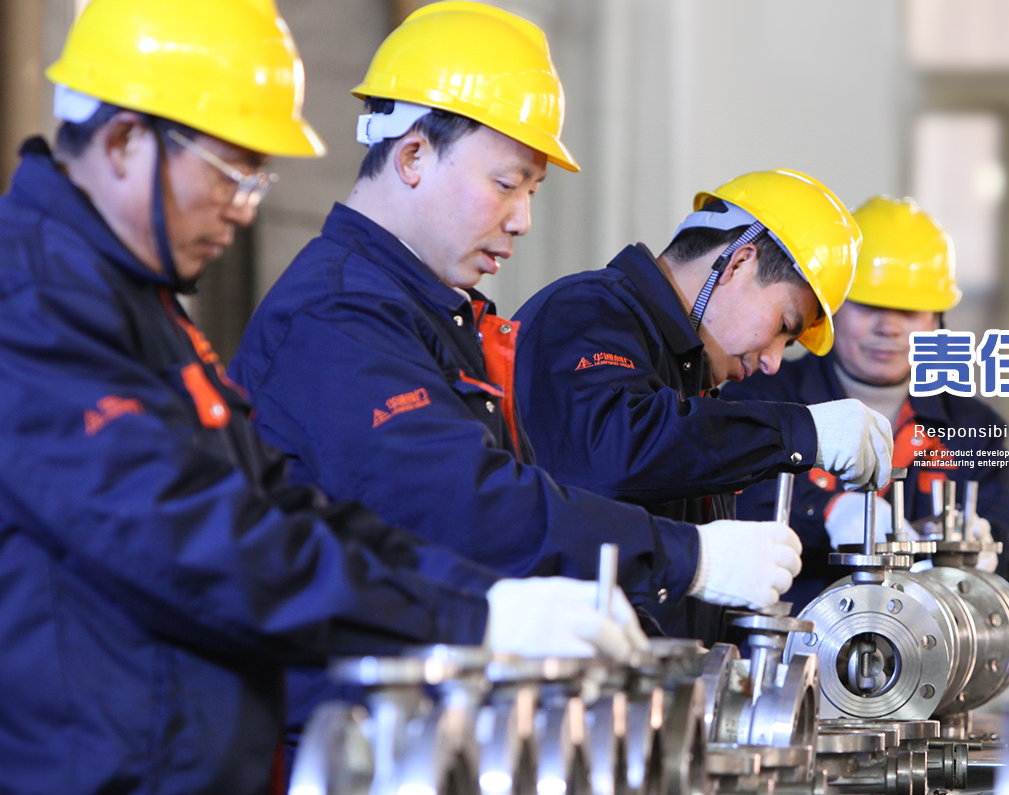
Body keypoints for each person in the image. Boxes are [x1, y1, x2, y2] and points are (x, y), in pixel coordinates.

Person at [0, 1, 637, 795]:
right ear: (126, 141)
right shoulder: (16, 302)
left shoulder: (131, 304)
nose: (244, 209)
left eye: (255, 181)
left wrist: (490, 598)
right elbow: (191, 541)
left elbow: (278, 506)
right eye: (231, 173)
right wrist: (477, 622)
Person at [228, 1, 798, 644]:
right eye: (506, 184)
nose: (523, 220)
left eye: (532, 192)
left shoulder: (430, 313)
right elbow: (461, 502)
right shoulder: (338, 314)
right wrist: (690, 556)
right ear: (412, 157)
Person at [510, 169, 893, 639]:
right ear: (738, 264)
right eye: (783, 327)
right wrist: (802, 432)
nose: (773, 362)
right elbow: (615, 446)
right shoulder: (586, 311)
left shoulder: (690, 380)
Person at [725, 196, 1009, 609]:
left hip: (921, 640)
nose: (888, 327)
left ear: (936, 321)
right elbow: (727, 499)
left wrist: (989, 543)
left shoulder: (973, 426)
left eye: (908, 311)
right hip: (793, 635)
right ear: (833, 307)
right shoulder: (761, 397)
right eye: (870, 306)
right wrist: (828, 510)